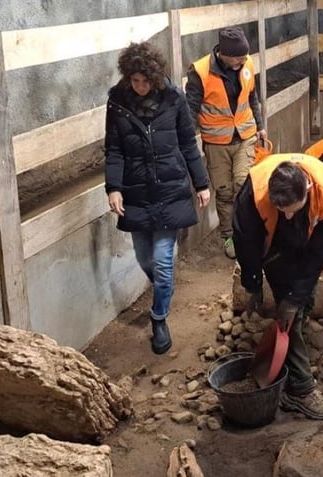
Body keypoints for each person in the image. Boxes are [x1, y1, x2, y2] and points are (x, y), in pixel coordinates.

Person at [105, 42, 211, 355]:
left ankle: (159, 317)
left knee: (164, 263)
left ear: (155, 76)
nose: (139, 87)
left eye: (144, 81)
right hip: (136, 191)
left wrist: (201, 183)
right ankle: (164, 288)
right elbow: (113, 148)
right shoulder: (117, 101)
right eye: (133, 81)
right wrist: (113, 187)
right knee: (143, 257)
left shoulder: (173, 99)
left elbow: (188, 144)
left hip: (170, 189)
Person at [233, 153, 323, 420]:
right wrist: (253, 281)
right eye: (282, 209)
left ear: (307, 188)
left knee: (300, 302)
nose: (287, 213)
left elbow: (320, 251)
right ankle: (300, 390)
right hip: (276, 245)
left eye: (292, 207)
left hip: (307, 238)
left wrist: (297, 298)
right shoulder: (254, 191)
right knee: (287, 317)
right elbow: (245, 239)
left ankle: (293, 343)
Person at [186, 26, 267, 260]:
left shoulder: (246, 64)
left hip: (244, 135)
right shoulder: (200, 72)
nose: (242, 62)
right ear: (223, 53)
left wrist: (260, 126)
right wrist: (187, 142)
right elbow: (190, 109)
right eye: (238, 58)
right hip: (216, 142)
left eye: (244, 57)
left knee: (243, 184)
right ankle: (229, 235)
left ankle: (249, 232)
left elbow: (251, 96)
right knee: (224, 192)